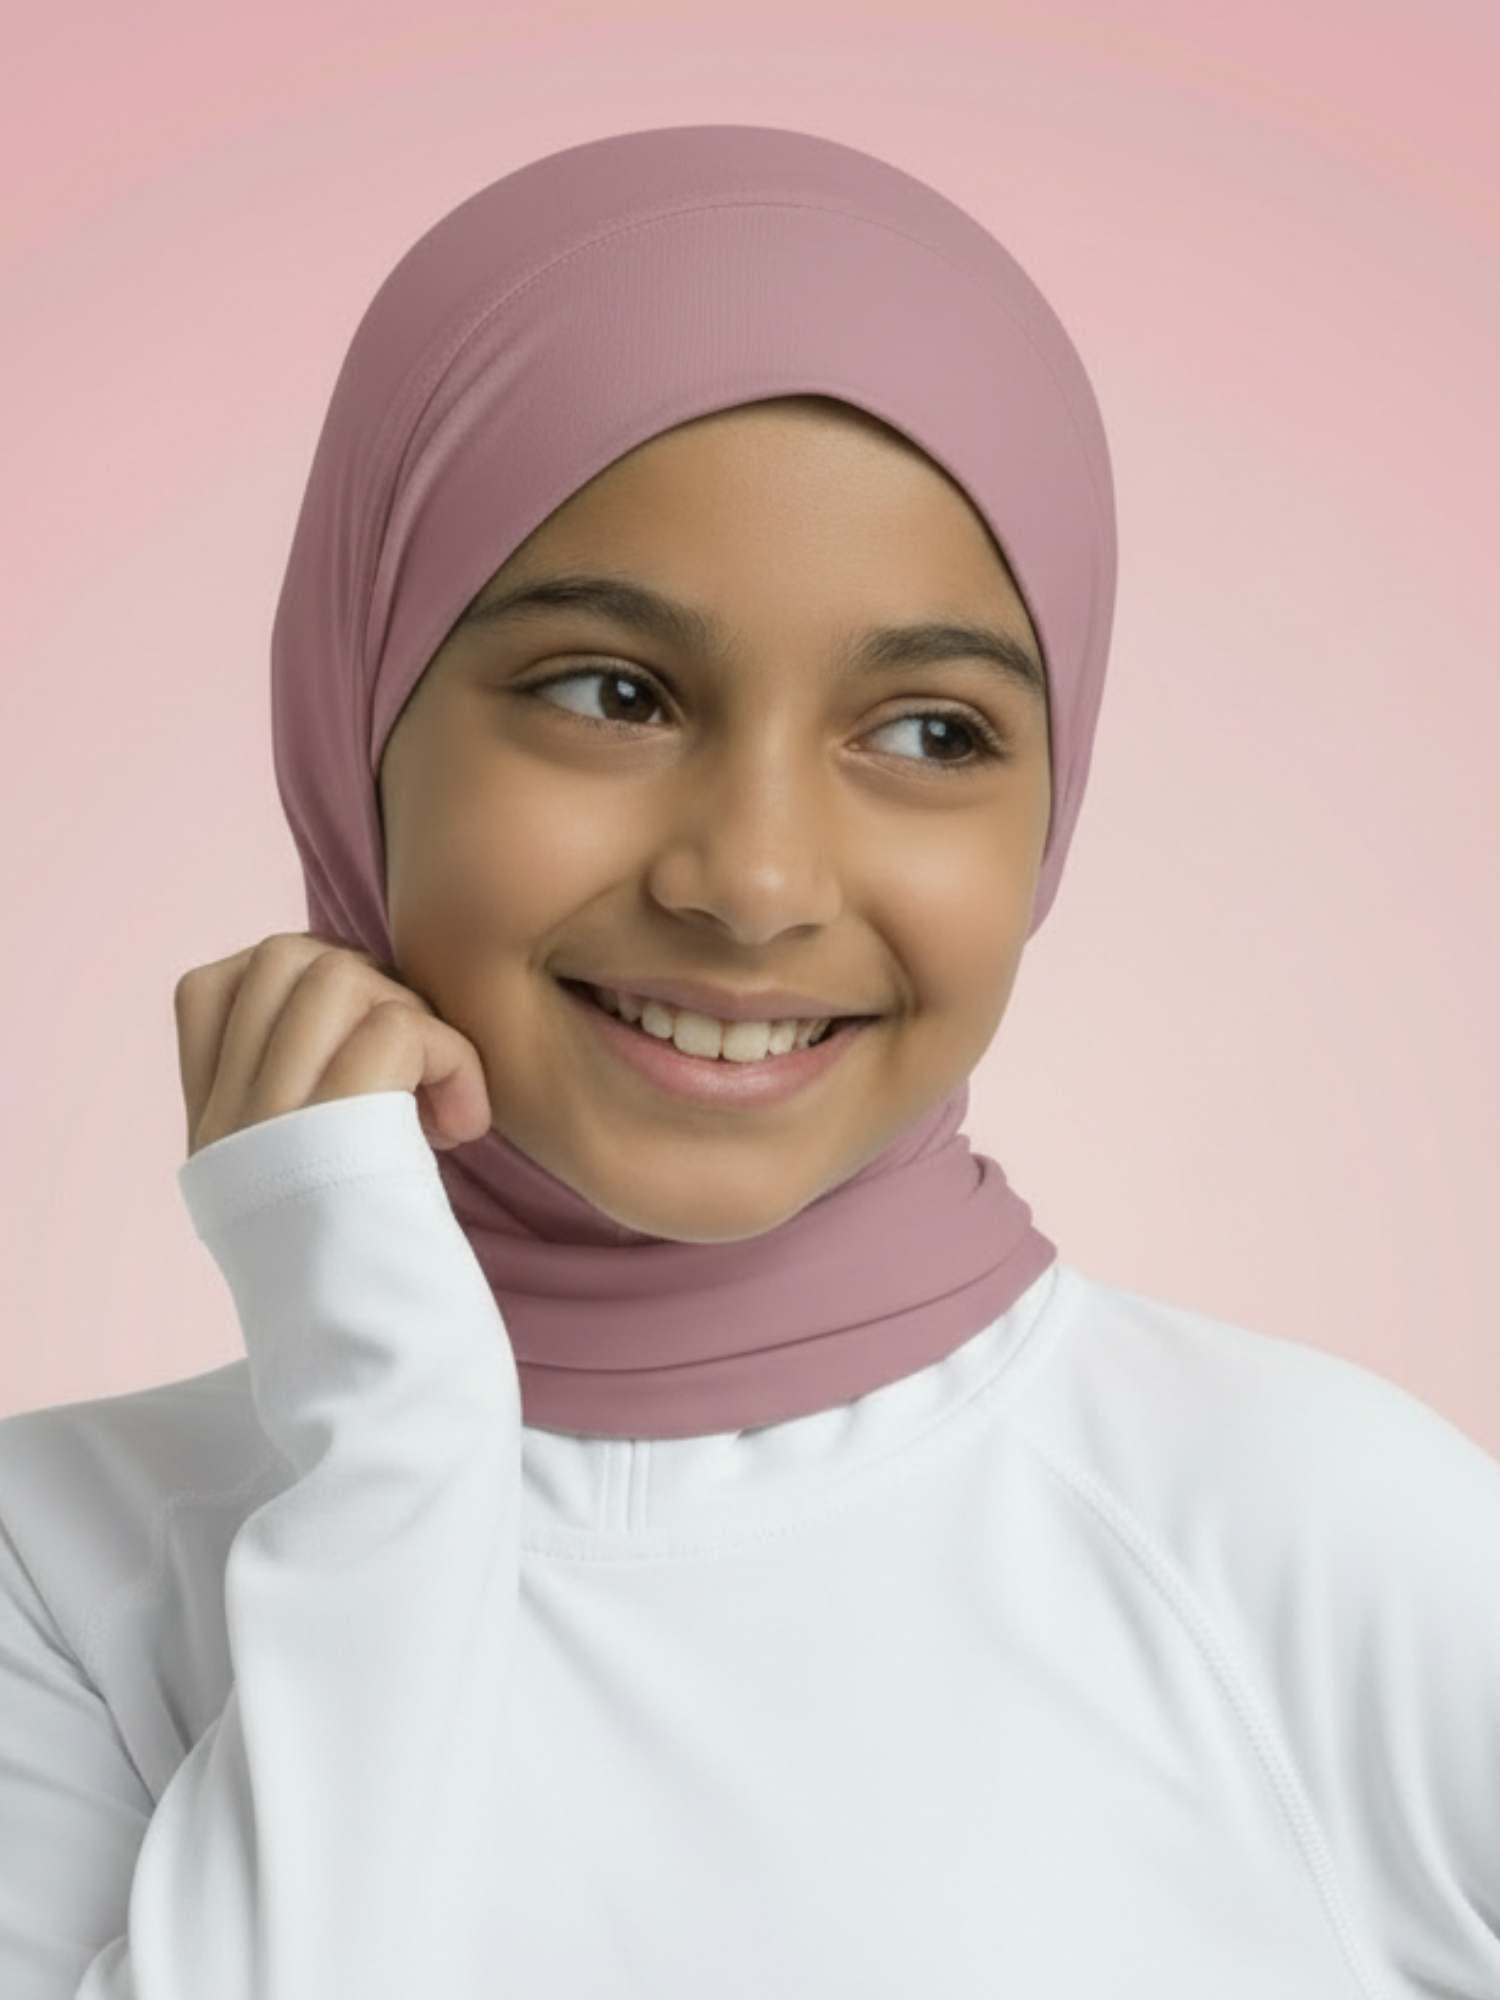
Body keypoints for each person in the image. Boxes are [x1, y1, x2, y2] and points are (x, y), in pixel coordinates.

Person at [1, 123, 1496, 1999]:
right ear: (353, 708)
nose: (757, 883)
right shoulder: (59, 1581)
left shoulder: (1326, 1548)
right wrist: (396, 1452)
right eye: (614, 695)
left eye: (934, 730)